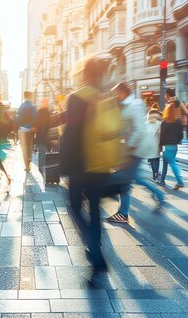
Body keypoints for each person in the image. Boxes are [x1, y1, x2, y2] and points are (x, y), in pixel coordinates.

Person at [61, 56, 109, 277]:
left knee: (74, 206)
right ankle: (96, 249)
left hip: (81, 164)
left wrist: (65, 166)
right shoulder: (104, 98)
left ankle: (94, 249)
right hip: (101, 163)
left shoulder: (77, 97)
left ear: (85, 75)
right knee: (95, 210)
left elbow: (71, 134)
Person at [106, 82, 148, 224]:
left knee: (122, 179)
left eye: (116, 93)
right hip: (130, 150)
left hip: (134, 151)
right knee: (127, 181)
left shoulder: (134, 105)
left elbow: (139, 130)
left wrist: (128, 150)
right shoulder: (126, 106)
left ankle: (123, 213)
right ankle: (123, 212)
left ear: (123, 92)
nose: (115, 96)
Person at [158, 88, 188, 190]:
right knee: (167, 159)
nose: (164, 96)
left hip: (169, 133)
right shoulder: (179, 102)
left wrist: (160, 144)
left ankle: (177, 181)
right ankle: (162, 179)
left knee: (170, 161)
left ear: (167, 95)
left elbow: (164, 120)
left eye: (165, 94)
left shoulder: (169, 105)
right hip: (176, 131)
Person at [17, 91, 37, 171]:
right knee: (30, 146)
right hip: (30, 129)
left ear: (24, 96)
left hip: (22, 129)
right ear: (31, 97)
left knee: (24, 147)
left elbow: (18, 118)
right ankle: (29, 160)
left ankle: (27, 166)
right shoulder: (33, 106)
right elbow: (35, 117)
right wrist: (34, 126)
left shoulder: (21, 106)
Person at [145, 105, 162, 181]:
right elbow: (161, 134)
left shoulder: (146, 124)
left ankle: (154, 174)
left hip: (148, 145)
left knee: (151, 160)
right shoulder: (159, 123)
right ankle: (156, 173)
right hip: (156, 145)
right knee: (156, 159)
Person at [35, 98, 51, 178]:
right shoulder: (45, 112)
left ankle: (42, 169)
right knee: (42, 153)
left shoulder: (43, 112)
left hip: (42, 136)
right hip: (42, 136)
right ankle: (41, 169)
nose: (45, 104)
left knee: (42, 153)